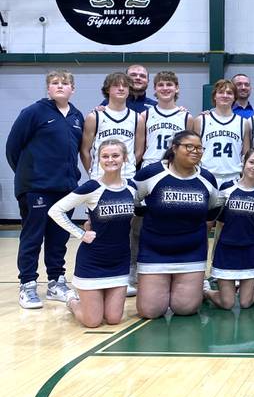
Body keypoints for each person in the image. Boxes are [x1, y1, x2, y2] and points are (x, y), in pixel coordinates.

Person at [7, 70, 84, 309]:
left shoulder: (77, 116)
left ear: (73, 89)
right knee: (33, 237)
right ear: (48, 88)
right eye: (54, 83)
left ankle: (56, 283)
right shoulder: (33, 112)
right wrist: (28, 175)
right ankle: (28, 285)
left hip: (66, 189)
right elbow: (12, 148)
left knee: (59, 238)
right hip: (36, 187)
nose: (60, 86)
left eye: (65, 83)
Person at [48, 139, 136, 327]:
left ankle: (95, 301)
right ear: (98, 160)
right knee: (92, 321)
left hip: (119, 260)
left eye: (115, 155)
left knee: (113, 319)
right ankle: (72, 300)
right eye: (105, 156)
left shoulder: (132, 188)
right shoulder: (92, 187)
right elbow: (55, 210)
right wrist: (80, 233)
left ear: (125, 158)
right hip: (93, 260)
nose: (110, 160)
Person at [134, 130, 220, 318]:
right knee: (150, 311)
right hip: (154, 251)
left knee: (185, 309)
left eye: (199, 148)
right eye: (189, 146)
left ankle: (201, 289)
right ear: (174, 148)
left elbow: (213, 209)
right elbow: (132, 202)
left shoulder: (207, 178)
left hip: (191, 251)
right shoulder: (151, 173)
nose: (195, 151)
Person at [131, 70, 191, 296]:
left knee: (174, 220)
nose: (165, 88)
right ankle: (134, 269)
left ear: (176, 88)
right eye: (161, 85)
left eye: (170, 84)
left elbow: (189, 149)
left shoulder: (186, 117)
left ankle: (176, 267)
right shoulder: (145, 116)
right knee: (139, 223)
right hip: (150, 170)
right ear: (154, 89)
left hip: (175, 172)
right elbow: (139, 149)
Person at [203, 148, 254, 310]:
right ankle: (205, 291)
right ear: (243, 162)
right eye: (251, 162)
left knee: (246, 303)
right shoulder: (227, 188)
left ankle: (253, 286)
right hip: (227, 251)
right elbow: (212, 219)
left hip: (250, 252)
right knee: (228, 303)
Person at [81, 72, 139, 180]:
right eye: (116, 85)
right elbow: (84, 150)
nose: (121, 89)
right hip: (100, 177)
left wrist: (129, 166)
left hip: (127, 177)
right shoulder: (94, 117)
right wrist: (92, 172)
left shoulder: (137, 118)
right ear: (107, 89)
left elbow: (139, 151)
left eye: (125, 86)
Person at [195, 79, 251, 185]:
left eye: (229, 93)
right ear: (214, 96)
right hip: (206, 176)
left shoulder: (243, 123)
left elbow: (246, 155)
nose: (225, 95)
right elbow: (194, 152)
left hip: (233, 177)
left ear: (234, 97)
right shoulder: (201, 120)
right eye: (220, 92)